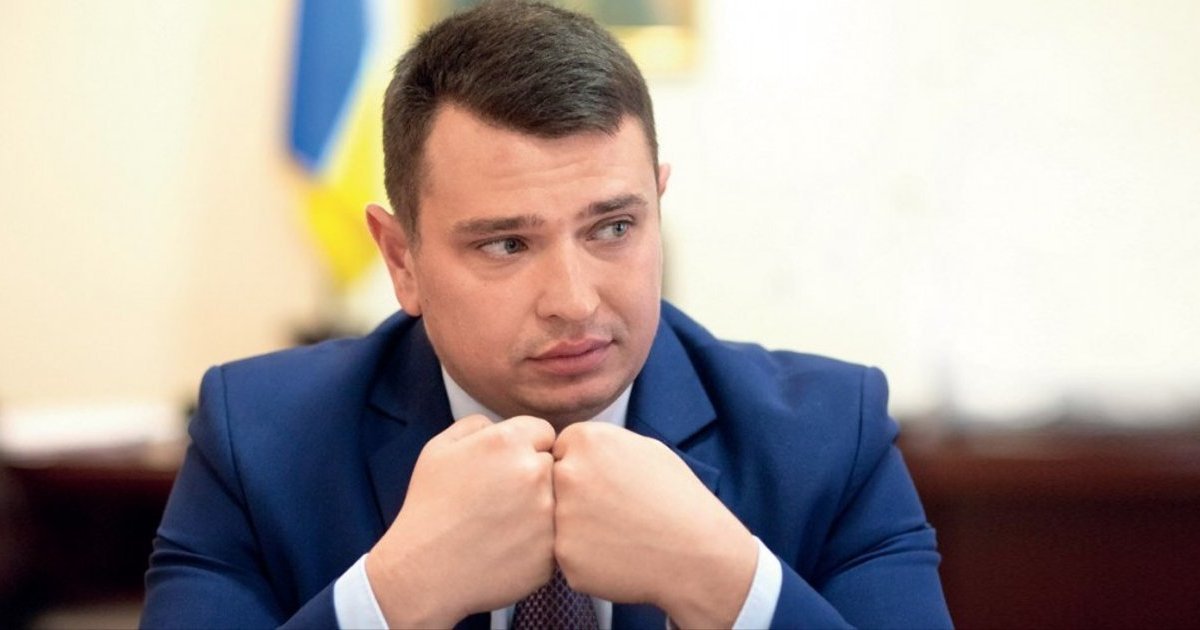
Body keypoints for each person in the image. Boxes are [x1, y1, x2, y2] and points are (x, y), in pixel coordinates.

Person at [141, 2, 951, 628]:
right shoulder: (258, 441)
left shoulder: (830, 439)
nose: (574, 299)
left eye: (613, 228)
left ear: (657, 205)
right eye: (505, 244)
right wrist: (394, 597)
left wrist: (723, 581)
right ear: (401, 259)